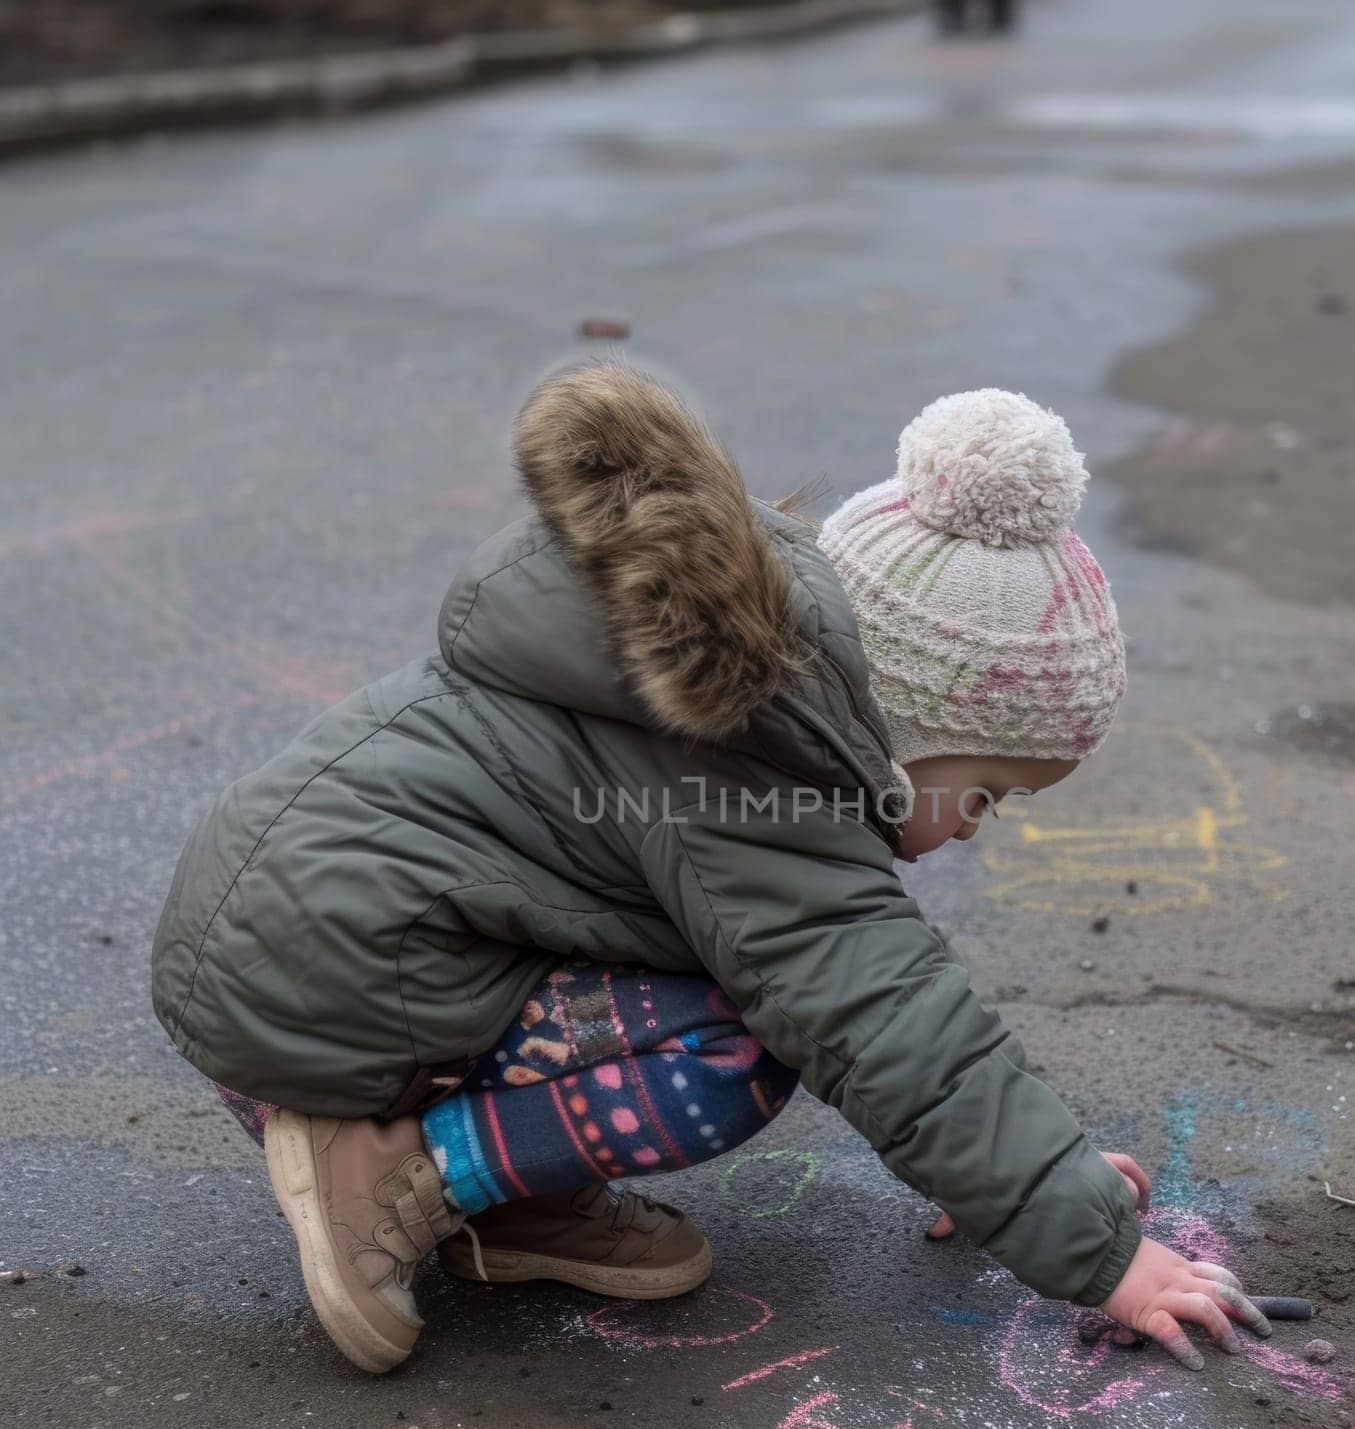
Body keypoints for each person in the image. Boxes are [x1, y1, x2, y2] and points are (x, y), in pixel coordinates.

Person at [151, 364, 1271, 1373]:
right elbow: (875, 1008)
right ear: (904, 726)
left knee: (748, 991)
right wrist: (1078, 1234)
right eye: (982, 792)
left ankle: (498, 1201)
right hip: (320, 1004)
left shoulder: (732, 707)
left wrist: (998, 1173)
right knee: (733, 1044)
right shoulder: (748, 764)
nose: (974, 829)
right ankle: (397, 1170)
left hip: (316, 960)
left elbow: (881, 1018)